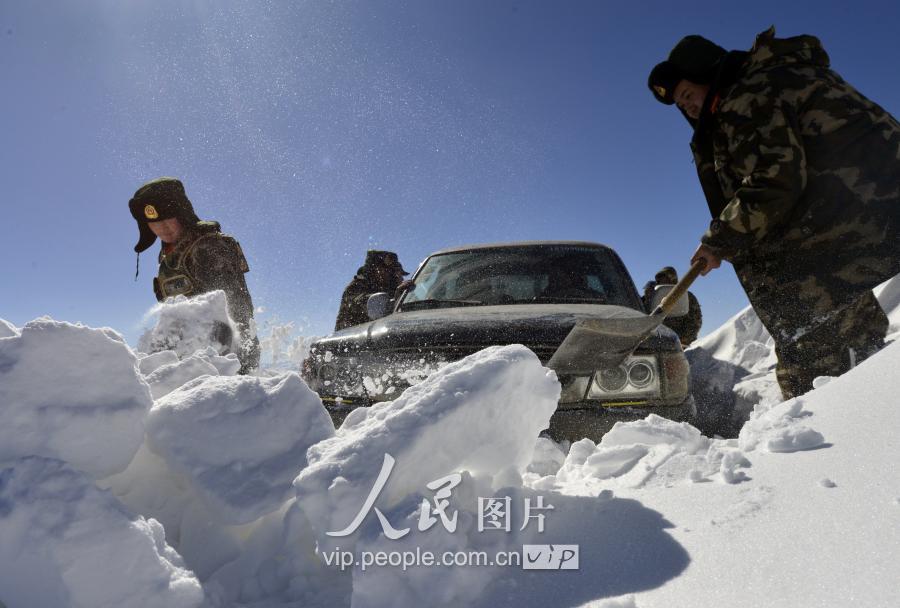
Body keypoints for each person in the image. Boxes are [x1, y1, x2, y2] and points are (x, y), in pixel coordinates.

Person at [647, 27, 900, 398]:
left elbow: (776, 178)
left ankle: (811, 437)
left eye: (687, 94)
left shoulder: (748, 96)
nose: (686, 106)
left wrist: (719, 239)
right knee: (854, 343)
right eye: (680, 104)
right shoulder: (774, 79)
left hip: (844, 223)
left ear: (709, 77)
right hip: (850, 223)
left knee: (811, 362)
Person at [128, 177, 260, 374]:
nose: (162, 227)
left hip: (225, 357)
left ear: (182, 213)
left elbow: (231, 307)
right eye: (153, 222)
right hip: (189, 355)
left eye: (167, 218)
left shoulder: (208, 246)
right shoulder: (169, 257)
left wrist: (227, 360)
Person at [335, 250, 409, 331]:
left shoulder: (389, 287)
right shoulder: (355, 287)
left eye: (393, 271)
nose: (391, 274)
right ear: (374, 269)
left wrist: (407, 294)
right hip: (351, 338)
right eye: (387, 269)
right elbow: (369, 304)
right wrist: (395, 298)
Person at [642, 266, 702, 347]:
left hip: (678, 345)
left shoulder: (686, 296)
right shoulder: (653, 296)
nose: (662, 282)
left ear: (672, 279)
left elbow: (695, 322)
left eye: (665, 278)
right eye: (660, 280)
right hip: (652, 342)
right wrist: (647, 296)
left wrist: (682, 340)